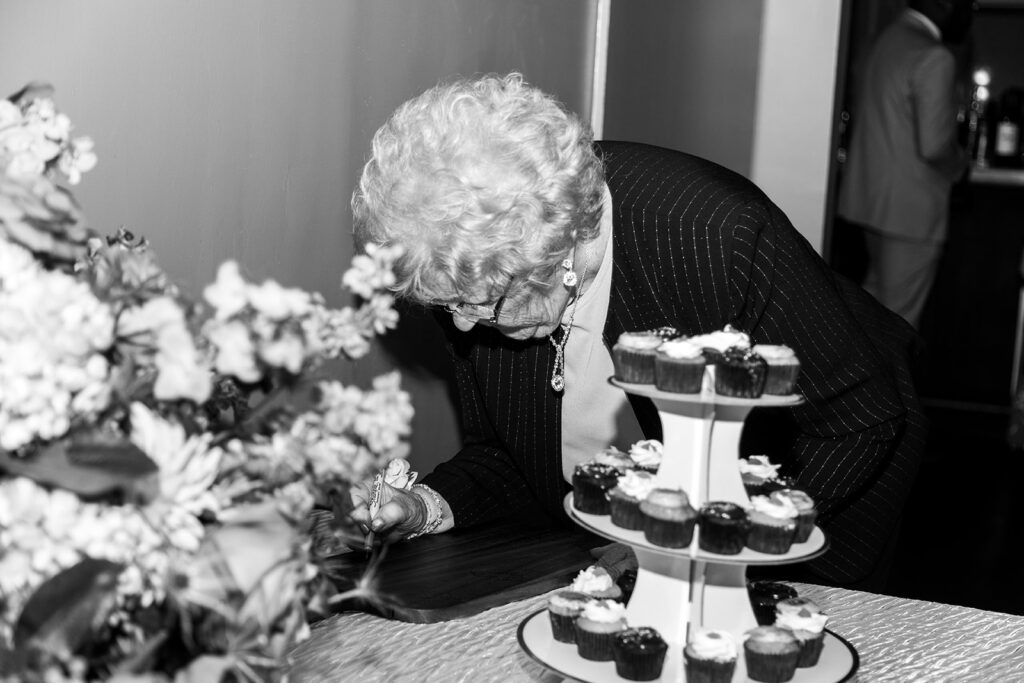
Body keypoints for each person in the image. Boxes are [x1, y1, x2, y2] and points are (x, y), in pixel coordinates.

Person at [349, 73, 925, 591]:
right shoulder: (471, 272)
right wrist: (421, 506)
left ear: (550, 251)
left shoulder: (717, 234)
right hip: (628, 550)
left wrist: (686, 545)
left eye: (476, 304)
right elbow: (509, 455)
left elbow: (859, 418)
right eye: (445, 306)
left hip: (822, 488)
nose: (462, 324)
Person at [837, 0, 973, 329]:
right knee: (898, 329)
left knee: (872, 319)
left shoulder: (882, 42)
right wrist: (961, 166)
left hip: (871, 206)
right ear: (944, 4)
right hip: (911, 214)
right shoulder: (935, 56)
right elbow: (934, 146)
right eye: (968, 4)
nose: (969, 14)